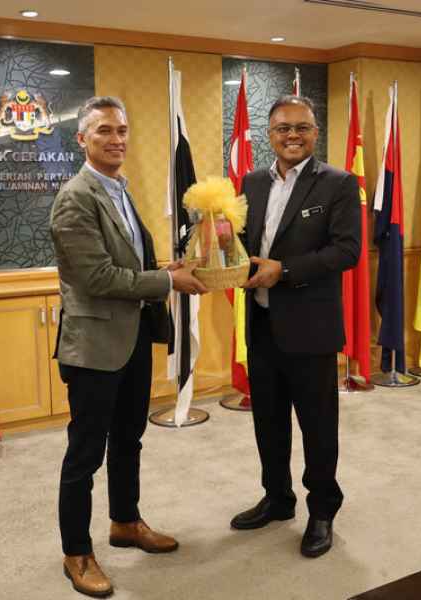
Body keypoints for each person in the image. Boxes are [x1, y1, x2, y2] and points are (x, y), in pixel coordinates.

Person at [50, 95, 207, 598]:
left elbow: (130, 262)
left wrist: (167, 269)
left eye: (121, 130)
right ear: (82, 139)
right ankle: (76, 553)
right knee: (85, 454)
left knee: (128, 440)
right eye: (104, 131)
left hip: (133, 338)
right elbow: (96, 277)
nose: (116, 139)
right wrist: (168, 281)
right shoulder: (75, 197)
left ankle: (125, 522)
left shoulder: (119, 189)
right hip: (94, 346)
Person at [232, 95, 361, 558]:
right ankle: (277, 498)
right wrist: (219, 246)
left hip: (311, 328)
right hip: (262, 323)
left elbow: (347, 251)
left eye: (301, 127)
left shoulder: (339, 183)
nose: (292, 135)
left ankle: (322, 510)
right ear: (269, 134)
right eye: (283, 128)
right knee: (267, 422)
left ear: (315, 133)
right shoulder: (250, 182)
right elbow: (242, 242)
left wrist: (284, 271)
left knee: (318, 427)